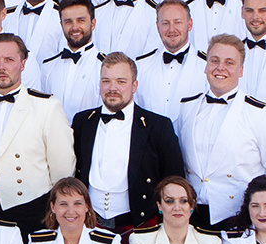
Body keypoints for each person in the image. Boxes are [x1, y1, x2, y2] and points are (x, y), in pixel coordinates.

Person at [175, 35, 266, 230]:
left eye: (229, 63)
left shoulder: (260, 114)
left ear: (240, 71)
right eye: (214, 61)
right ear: (205, 66)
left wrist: (258, 209)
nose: (220, 68)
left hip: (238, 216)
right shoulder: (187, 108)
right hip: (192, 216)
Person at [0, 33, 76, 231]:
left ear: (23, 63)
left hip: (33, 207)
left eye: (9, 59)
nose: (2, 67)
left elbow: (62, 167)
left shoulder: (47, 107)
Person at [72, 52, 186, 229]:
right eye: (106, 81)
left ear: (134, 85)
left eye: (121, 81)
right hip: (88, 224)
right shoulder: (82, 122)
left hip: (138, 225)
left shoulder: (158, 126)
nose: (112, 88)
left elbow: (174, 179)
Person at [132, 0, 206, 119]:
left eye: (178, 22)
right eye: (165, 23)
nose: (172, 29)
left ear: (190, 25)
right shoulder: (141, 66)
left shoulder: (206, 67)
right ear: (157, 26)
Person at [38, 0, 102, 116]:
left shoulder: (104, 67)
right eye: (68, 22)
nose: (74, 27)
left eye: (81, 20)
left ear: (93, 23)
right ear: (61, 25)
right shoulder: (48, 67)